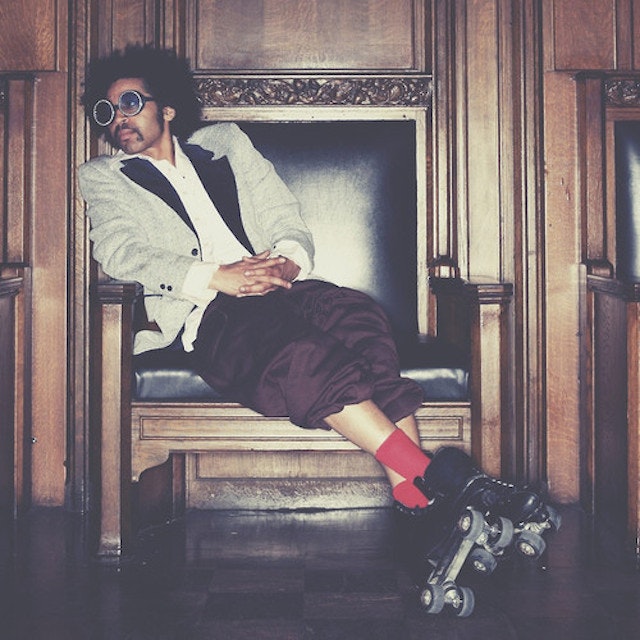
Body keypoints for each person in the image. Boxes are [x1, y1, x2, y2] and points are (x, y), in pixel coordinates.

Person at [79, 45, 556, 607]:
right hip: (210, 311)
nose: (120, 119)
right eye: (107, 112)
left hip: (285, 288)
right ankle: (435, 487)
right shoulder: (103, 177)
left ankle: (420, 503)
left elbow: (285, 217)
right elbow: (121, 251)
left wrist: (284, 263)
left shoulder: (225, 144)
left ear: (168, 108)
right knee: (302, 355)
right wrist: (219, 277)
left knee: (360, 317)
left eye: (131, 102)